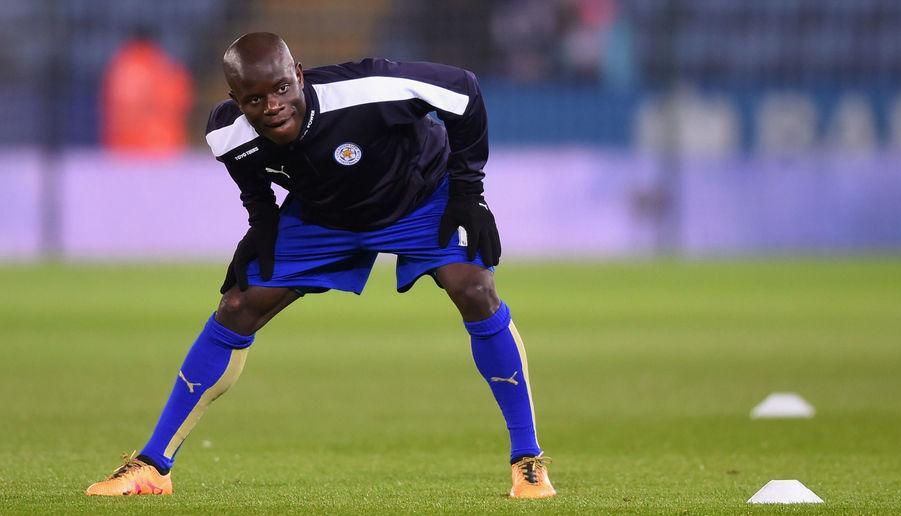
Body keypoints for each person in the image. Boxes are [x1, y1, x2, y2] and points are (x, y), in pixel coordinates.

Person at [85, 32, 555, 500]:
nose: (271, 106)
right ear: (235, 100)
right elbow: (250, 177)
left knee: (474, 289)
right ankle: (152, 467)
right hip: (323, 217)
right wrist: (262, 223)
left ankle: (527, 462)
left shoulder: (369, 89)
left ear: (298, 76)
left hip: (419, 197)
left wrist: (469, 191)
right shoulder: (227, 132)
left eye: (281, 89)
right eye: (254, 99)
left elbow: (465, 90)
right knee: (237, 305)